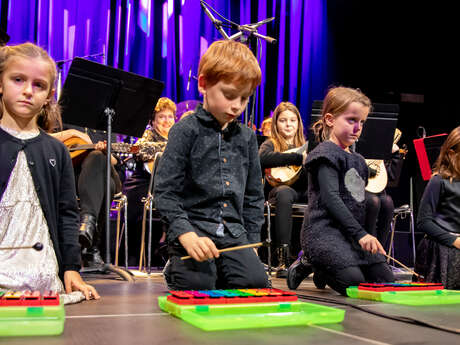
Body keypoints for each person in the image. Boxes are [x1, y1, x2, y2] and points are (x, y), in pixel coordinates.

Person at [154, 40, 269, 290]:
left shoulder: (248, 137)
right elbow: (165, 192)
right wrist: (185, 234)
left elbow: (253, 197)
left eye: (245, 98)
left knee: (254, 283)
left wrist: (251, 244)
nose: (237, 105)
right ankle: (174, 265)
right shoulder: (185, 130)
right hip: (194, 230)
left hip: (234, 234)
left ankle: (225, 267)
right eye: (229, 95)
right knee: (198, 286)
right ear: (203, 83)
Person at [0, 42, 99, 299]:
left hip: (40, 273)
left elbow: (67, 214)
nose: (27, 91)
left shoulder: (57, 150)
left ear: (49, 95)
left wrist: (71, 268)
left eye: (38, 85)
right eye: (18, 80)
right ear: (0, 83)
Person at [291, 86, 394, 295]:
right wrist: (361, 234)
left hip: (350, 234)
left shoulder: (358, 160)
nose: (358, 128)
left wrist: (368, 236)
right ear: (330, 119)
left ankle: (327, 266)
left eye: (362, 122)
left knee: (385, 281)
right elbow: (331, 198)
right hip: (324, 232)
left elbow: (358, 203)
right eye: (352, 120)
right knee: (354, 283)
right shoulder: (325, 154)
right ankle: (310, 261)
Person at [51, 125, 122, 268]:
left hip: (107, 171)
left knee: (98, 157)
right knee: (108, 185)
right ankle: (91, 248)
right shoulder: (67, 119)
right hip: (75, 177)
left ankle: (87, 221)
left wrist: (105, 152)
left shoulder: (106, 124)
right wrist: (72, 133)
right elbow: (44, 138)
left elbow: (116, 161)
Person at [123, 97, 176, 266]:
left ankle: (168, 243)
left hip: (168, 188)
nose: (167, 121)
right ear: (153, 121)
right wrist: (169, 147)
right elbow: (140, 151)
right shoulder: (148, 135)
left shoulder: (177, 136)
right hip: (143, 185)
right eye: (161, 117)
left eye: (170, 116)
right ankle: (144, 252)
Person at [259, 102, 308, 277]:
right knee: (285, 193)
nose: (288, 124)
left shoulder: (307, 146)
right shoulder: (270, 144)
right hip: (278, 192)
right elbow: (262, 158)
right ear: (276, 124)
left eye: (293, 120)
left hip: (303, 192)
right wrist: (297, 158)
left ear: (298, 123)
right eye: (283, 120)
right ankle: (283, 260)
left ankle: (315, 258)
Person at [415, 126, 460, 289]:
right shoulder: (439, 181)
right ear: (452, 153)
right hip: (444, 246)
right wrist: (454, 240)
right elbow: (423, 221)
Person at [364, 134, 406, 250]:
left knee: (387, 202)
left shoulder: (377, 145)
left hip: (375, 190)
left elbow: (391, 177)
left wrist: (395, 155)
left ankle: (380, 252)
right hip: (355, 188)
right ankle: (369, 249)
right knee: (374, 202)